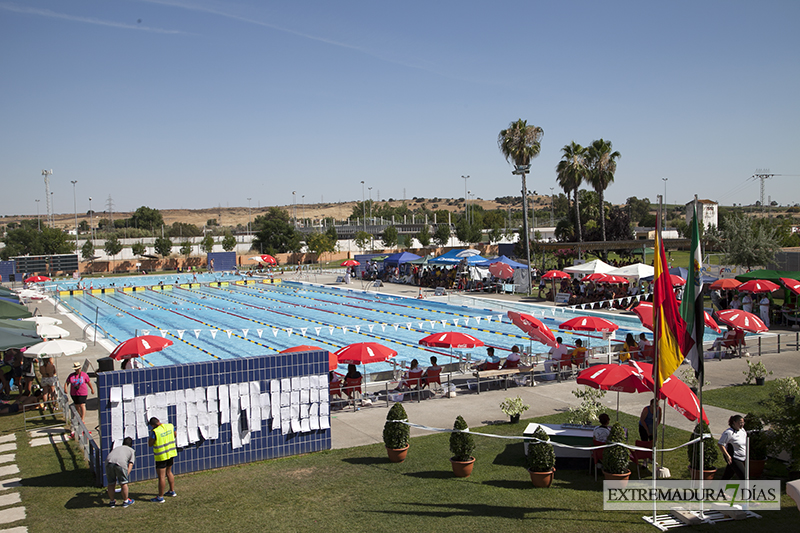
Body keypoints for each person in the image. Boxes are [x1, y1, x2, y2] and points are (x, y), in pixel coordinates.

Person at [148, 417, 177, 503]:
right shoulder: (170, 426)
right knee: (169, 472)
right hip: (170, 453)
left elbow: (150, 444)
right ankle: (172, 491)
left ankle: (160, 497)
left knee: (161, 476)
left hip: (161, 455)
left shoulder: (155, 431)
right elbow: (174, 434)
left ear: (152, 425)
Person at [106, 437, 136, 508]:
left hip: (109, 462)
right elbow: (131, 464)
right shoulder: (131, 450)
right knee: (123, 483)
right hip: (120, 463)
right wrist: (126, 474)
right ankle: (126, 501)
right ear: (131, 445)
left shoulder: (117, 448)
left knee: (111, 483)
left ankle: (112, 502)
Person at [64, 362, 94, 426]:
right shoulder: (71, 375)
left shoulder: (84, 375)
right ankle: (79, 416)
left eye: (78, 369)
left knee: (82, 405)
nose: (77, 370)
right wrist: (65, 388)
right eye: (76, 369)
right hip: (74, 393)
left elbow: (89, 382)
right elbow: (67, 382)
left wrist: (92, 389)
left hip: (82, 392)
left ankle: (82, 419)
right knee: (77, 406)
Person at [718, 414, 746, 480]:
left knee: (728, 475)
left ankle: (720, 489)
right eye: (740, 423)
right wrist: (727, 456)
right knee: (744, 477)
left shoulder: (742, 431)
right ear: (734, 422)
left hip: (742, 457)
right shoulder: (729, 433)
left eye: (743, 422)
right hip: (734, 458)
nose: (742, 424)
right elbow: (720, 444)